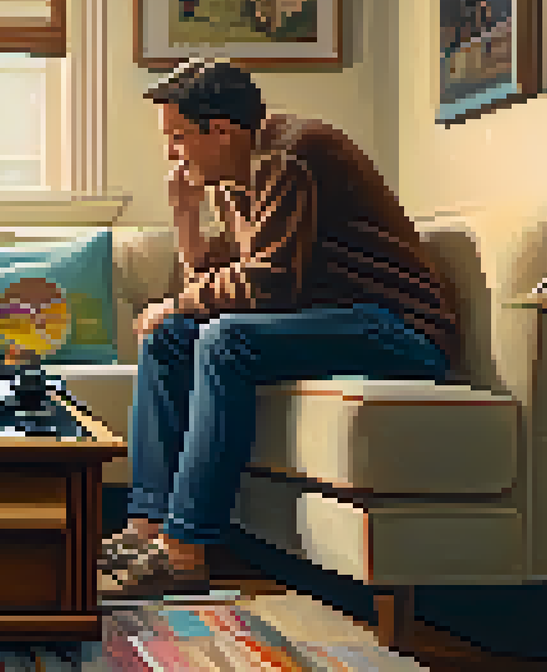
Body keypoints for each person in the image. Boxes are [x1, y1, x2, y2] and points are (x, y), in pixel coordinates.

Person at [99, 60, 460, 596]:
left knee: (224, 340)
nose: (171, 154)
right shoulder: (230, 175)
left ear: (221, 131)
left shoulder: (290, 158)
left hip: (398, 329)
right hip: (328, 322)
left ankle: (184, 552)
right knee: (169, 339)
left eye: (177, 138)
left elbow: (269, 286)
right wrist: (184, 218)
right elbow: (222, 279)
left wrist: (179, 301)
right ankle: (147, 527)